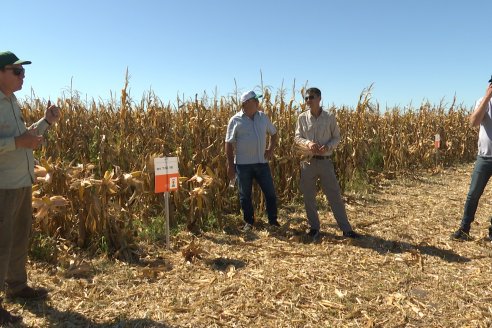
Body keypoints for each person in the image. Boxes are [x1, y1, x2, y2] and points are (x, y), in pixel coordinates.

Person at [0, 51, 61, 324]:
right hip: (4, 186)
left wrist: (46, 121)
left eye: (23, 72)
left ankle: (17, 286)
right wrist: (18, 143)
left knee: (19, 236)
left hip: (22, 182)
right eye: (17, 71)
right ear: (0, 72)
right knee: (1, 243)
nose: (23, 76)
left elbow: (24, 137)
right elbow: (17, 141)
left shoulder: (11, 101)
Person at [294, 87, 361, 241]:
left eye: (311, 97)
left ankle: (346, 230)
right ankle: (314, 228)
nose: (308, 101)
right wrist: (308, 143)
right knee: (309, 197)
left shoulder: (329, 117)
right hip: (308, 162)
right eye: (306, 98)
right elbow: (297, 137)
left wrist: (328, 146)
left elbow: (337, 137)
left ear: (319, 98)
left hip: (325, 162)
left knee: (334, 196)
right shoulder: (302, 118)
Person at [225, 90, 279, 230]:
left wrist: (270, 149)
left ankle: (273, 221)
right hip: (243, 166)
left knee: (270, 194)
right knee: (245, 196)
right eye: (255, 100)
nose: (258, 102)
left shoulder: (263, 117)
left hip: (262, 163)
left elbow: (274, 134)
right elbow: (228, 143)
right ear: (247, 103)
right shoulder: (235, 120)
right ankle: (249, 222)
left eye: (257, 100)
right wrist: (230, 166)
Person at [451, 79, 492, 241]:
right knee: (473, 194)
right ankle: (464, 229)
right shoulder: (482, 102)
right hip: (484, 157)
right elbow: (473, 123)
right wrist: (487, 97)